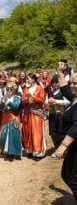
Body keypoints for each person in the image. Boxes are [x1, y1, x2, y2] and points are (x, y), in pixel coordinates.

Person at [55, 63, 77, 202]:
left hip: (75, 146)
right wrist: (60, 73)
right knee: (67, 175)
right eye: (72, 83)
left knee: (73, 178)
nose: (73, 86)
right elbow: (64, 88)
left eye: (76, 84)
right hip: (73, 147)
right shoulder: (75, 98)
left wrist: (63, 145)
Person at [21, 73, 46, 159]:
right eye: (27, 79)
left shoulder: (40, 89)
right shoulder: (26, 89)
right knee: (28, 131)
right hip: (28, 113)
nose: (27, 80)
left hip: (36, 113)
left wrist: (33, 97)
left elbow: (42, 100)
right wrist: (27, 98)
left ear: (34, 79)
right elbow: (22, 100)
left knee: (36, 132)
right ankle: (29, 150)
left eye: (29, 79)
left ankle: (38, 152)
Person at [46, 74, 70, 156]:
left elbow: (68, 102)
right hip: (52, 114)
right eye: (53, 83)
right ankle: (56, 148)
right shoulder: (51, 92)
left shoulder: (63, 92)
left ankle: (62, 150)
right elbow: (47, 102)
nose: (54, 84)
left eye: (56, 82)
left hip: (61, 114)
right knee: (53, 132)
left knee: (61, 132)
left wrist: (56, 101)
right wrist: (48, 102)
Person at [0, 82, 22, 161]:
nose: (9, 91)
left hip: (13, 117)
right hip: (5, 117)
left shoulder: (16, 98)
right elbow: (0, 107)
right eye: (7, 89)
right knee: (4, 136)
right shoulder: (3, 97)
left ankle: (13, 153)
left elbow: (16, 107)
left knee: (13, 135)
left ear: (14, 90)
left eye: (11, 89)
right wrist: (3, 101)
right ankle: (6, 152)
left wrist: (8, 102)